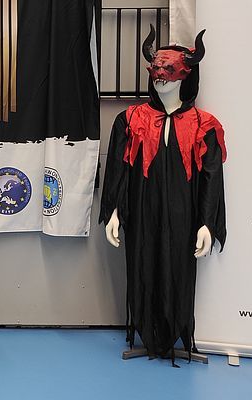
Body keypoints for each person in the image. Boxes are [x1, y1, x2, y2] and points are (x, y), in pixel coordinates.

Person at [101, 29, 226, 362]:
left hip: (184, 214)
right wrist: (114, 211)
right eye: (156, 69)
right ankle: (147, 332)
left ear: (185, 74)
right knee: (142, 264)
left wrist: (207, 222)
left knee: (179, 269)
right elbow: (118, 170)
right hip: (142, 209)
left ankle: (175, 334)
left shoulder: (203, 124)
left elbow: (211, 177)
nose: (160, 76)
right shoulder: (130, 120)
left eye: (169, 70)